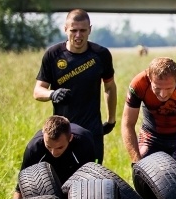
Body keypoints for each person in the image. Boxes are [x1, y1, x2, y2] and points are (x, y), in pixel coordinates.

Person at [33, 9, 116, 164]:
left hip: (92, 130)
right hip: (62, 132)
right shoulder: (53, 55)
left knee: (93, 178)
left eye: (83, 30)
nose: (78, 35)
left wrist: (111, 120)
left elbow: (110, 87)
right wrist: (53, 94)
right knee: (61, 179)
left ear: (90, 29)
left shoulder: (101, 54)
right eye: (73, 30)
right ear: (65, 29)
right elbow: (37, 91)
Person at [13, 116, 96, 199]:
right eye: (48, 146)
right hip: (46, 181)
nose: (54, 152)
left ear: (70, 138)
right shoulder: (34, 148)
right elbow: (21, 186)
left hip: (75, 174)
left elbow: (90, 180)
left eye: (59, 147)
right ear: (43, 135)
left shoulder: (84, 143)